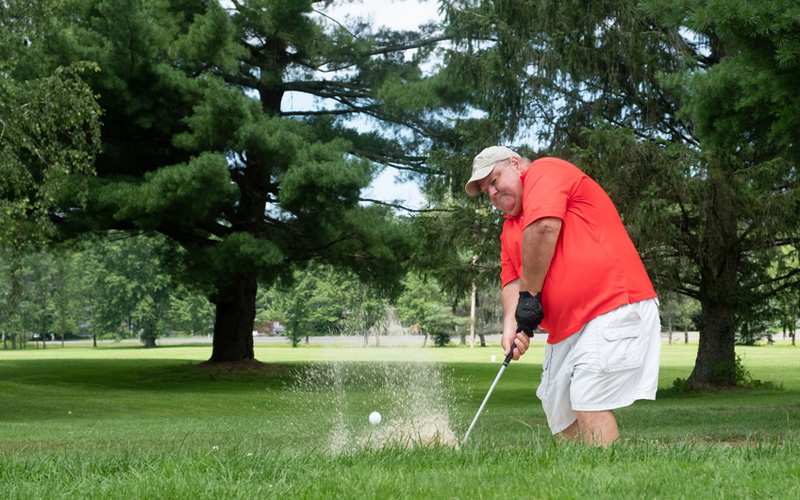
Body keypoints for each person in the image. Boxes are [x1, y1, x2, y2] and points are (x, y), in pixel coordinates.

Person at [465, 146, 661, 446]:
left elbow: (544, 228)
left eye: (494, 180)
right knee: (558, 408)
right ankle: (580, 477)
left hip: (612, 304)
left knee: (587, 393)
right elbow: (511, 280)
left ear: (516, 164)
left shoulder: (545, 171)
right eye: (485, 190)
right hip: (566, 328)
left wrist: (529, 298)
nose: (491, 192)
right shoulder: (509, 229)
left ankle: (610, 479)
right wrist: (511, 326)